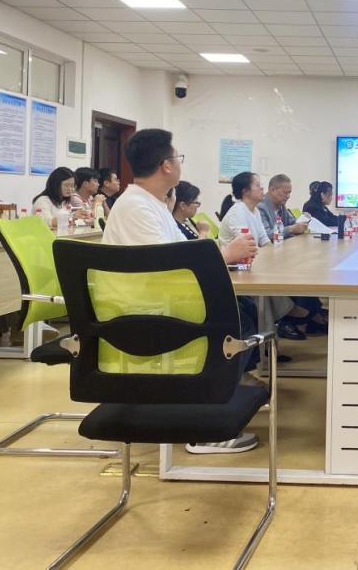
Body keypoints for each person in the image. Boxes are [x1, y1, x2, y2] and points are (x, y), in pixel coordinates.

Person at [102, 129, 259, 456]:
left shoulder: (152, 204)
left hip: (157, 299)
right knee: (230, 321)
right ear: (166, 165)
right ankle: (201, 427)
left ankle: (217, 398)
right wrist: (225, 254)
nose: (179, 163)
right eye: (177, 157)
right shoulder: (136, 207)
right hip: (143, 309)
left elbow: (181, 253)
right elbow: (167, 266)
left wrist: (221, 254)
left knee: (242, 310)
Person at [221, 172, 320, 340]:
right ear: (245, 191)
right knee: (264, 286)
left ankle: (273, 332)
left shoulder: (253, 211)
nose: (262, 188)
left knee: (276, 273)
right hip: (235, 269)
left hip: (252, 263)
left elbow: (264, 240)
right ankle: (273, 331)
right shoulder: (237, 212)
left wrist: (274, 257)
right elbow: (247, 246)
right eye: (257, 185)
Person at [257, 174, 308, 240]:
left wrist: (304, 219)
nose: (288, 196)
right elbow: (266, 235)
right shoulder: (260, 207)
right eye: (285, 192)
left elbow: (293, 223)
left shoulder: (281, 205)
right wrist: (291, 229)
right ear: (272, 190)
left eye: (289, 193)